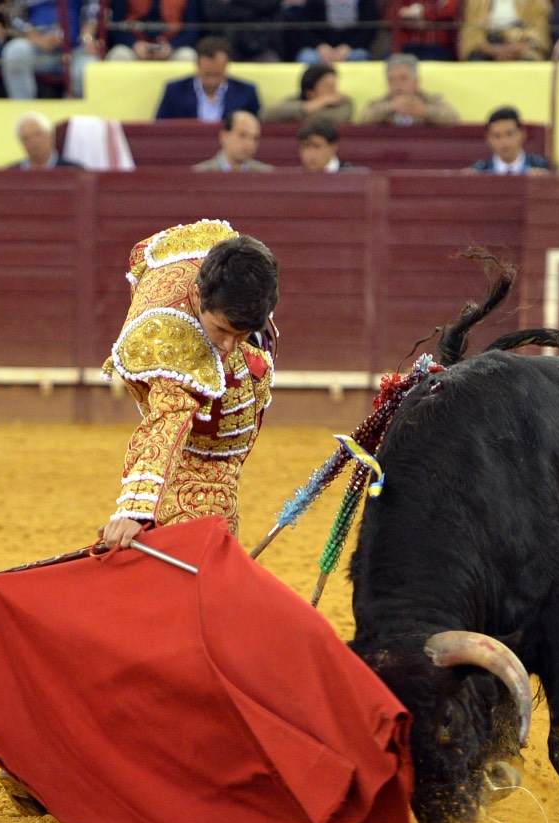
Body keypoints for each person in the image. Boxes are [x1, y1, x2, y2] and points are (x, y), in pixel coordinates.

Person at [99, 219, 279, 549]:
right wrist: (135, 511)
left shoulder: (227, 258)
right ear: (198, 295)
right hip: (202, 454)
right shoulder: (170, 341)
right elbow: (165, 424)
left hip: (219, 444)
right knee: (203, 501)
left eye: (240, 335)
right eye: (221, 331)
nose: (228, 345)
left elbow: (144, 252)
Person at [1, 0, 100, 100]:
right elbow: (15, 15)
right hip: (39, 50)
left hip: (76, 50)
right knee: (15, 52)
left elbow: (93, 12)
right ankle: (23, 109)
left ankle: (71, 111)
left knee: (88, 69)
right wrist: (36, 37)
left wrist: (87, 37)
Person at [155, 35, 261, 120]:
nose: (212, 81)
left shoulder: (246, 93)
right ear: (197, 66)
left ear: (226, 66)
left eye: (217, 74)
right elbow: (160, 129)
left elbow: (257, 131)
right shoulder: (175, 91)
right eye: (207, 74)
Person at [360, 53, 460, 126]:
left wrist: (425, 111)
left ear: (416, 81)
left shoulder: (429, 99)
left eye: (403, 78)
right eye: (391, 80)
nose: (397, 85)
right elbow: (364, 120)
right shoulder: (381, 102)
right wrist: (390, 107)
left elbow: (453, 118)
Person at [278, 0, 379, 64]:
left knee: (360, 56)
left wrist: (348, 46)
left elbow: (368, 31)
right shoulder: (313, 2)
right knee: (306, 57)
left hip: (352, 49)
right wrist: (320, 46)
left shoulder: (366, 3)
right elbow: (305, 29)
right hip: (319, 49)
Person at [462, 105, 551, 174]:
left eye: (510, 134)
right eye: (497, 136)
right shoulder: (479, 172)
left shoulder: (543, 168)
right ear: (488, 138)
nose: (504, 141)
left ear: (522, 134)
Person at [104, 0, 201, 63]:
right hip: (135, 47)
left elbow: (192, 30)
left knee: (187, 56)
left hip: (171, 47)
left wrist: (172, 46)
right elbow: (115, 26)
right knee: (118, 55)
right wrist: (133, 44)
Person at [460, 0, 551, 61]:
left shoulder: (537, 2)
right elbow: (471, 34)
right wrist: (493, 50)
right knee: (476, 61)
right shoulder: (476, 2)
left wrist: (517, 49)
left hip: (522, 43)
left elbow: (540, 33)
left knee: (529, 62)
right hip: (488, 44)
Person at [260, 64, 354, 123]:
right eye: (328, 87)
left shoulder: (344, 102)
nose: (334, 91)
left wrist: (296, 115)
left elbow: (339, 118)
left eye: (334, 86)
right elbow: (266, 115)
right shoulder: (295, 101)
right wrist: (308, 107)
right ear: (310, 93)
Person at [199, 0, 282, 61]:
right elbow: (213, 12)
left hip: (260, 46)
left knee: (272, 62)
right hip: (225, 44)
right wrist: (252, 10)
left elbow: (269, 5)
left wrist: (233, 3)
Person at [192, 110, 275, 171]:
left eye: (255, 138)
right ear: (224, 136)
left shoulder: (265, 173)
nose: (250, 144)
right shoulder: (200, 173)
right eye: (242, 135)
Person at [386, 0, 460, 61]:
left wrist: (418, 12)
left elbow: (450, 8)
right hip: (408, 47)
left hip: (438, 48)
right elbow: (391, 16)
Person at [7, 111, 85, 168]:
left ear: (50, 135)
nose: (34, 142)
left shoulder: (72, 170)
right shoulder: (11, 173)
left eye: (38, 134)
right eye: (26, 138)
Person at [298, 115, 362, 172]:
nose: (310, 153)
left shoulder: (353, 174)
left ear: (334, 147)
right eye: (305, 147)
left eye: (316, 146)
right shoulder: (296, 179)